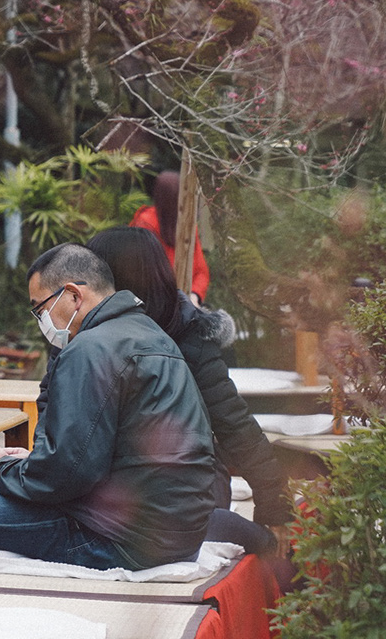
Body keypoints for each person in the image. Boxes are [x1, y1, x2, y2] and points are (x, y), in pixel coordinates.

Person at [0, 244, 217, 570]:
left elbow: (67, 475)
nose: (41, 320)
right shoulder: (153, 335)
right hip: (179, 535)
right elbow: (101, 453)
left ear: (73, 295)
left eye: (40, 308)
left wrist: (3, 471)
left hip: (118, 539)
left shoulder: (90, 348)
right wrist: (30, 463)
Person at [88, 227, 292, 580]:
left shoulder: (187, 334)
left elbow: (234, 424)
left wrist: (274, 505)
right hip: (114, 481)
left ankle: (247, 535)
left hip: (189, 486)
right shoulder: (86, 335)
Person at [131, 170, 209, 304]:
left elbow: (201, 272)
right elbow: (137, 269)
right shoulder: (146, 223)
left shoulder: (188, 225)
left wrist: (194, 296)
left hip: (179, 301)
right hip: (151, 301)